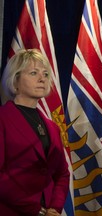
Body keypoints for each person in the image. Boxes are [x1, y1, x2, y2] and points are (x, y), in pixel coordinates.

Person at [0, 49, 70, 216]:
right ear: (15, 81)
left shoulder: (52, 127)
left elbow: (62, 173)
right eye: (33, 73)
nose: (42, 79)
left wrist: (54, 208)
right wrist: (36, 210)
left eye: (45, 74)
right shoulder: (2, 119)